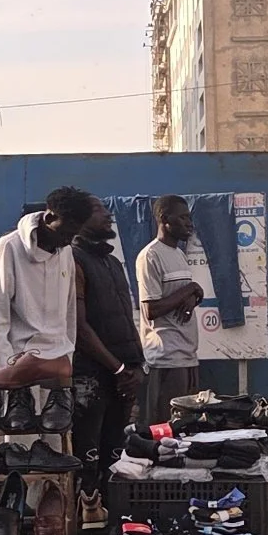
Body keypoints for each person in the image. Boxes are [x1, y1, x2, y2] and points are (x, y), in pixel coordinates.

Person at [0, 186, 91, 389]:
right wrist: (5, 369)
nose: (68, 241)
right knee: (20, 411)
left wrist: (67, 356)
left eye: (74, 235)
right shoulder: (8, 248)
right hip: (18, 360)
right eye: (65, 233)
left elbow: (69, 312)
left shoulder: (66, 251)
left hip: (57, 363)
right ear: (49, 217)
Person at [71, 195, 144, 509]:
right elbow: (78, 326)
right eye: (98, 210)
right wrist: (118, 368)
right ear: (79, 218)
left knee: (116, 456)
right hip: (91, 377)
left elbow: (126, 320)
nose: (108, 214)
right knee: (87, 457)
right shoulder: (73, 260)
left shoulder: (113, 263)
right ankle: (85, 523)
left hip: (123, 377)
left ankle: (116, 522)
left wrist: (136, 366)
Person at [135, 194, 205, 421]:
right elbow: (151, 310)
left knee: (186, 427)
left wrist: (193, 296)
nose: (189, 224)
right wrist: (191, 288)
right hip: (166, 358)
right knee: (164, 427)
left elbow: (181, 297)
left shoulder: (178, 254)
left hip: (187, 355)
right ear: (165, 219)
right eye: (183, 218)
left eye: (190, 218)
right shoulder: (150, 256)